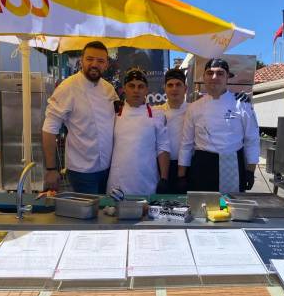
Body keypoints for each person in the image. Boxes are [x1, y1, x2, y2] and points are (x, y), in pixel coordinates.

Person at [41, 41, 119, 194]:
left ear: (106, 64)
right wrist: (51, 169)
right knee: (89, 215)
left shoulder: (109, 89)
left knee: (107, 212)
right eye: (90, 59)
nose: (94, 64)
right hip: (82, 170)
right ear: (81, 60)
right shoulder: (67, 87)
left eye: (100, 61)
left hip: (109, 167)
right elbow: (49, 129)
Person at [177, 58, 260, 193]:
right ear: (204, 77)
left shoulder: (242, 104)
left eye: (220, 73)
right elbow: (186, 144)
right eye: (210, 73)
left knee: (228, 209)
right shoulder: (193, 108)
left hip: (232, 164)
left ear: (227, 77)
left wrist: (250, 171)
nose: (214, 77)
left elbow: (252, 139)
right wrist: (181, 175)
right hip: (202, 165)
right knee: (201, 209)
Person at [106, 68, 170, 196]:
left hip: (147, 181)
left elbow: (163, 148)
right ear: (124, 88)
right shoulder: (113, 115)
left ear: (146, 90)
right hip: (118, 183)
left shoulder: (157, 115)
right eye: (131, 86)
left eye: (140, 86)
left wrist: (164, 178)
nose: (136, 90)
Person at [153, 68, 190, 194]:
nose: (174, 88)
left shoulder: (194, 110)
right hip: (162, 167)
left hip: (187, 168)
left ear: (185, 88)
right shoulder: (156, 111)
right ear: (165, 88)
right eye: (170, 85)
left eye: (178, 85)